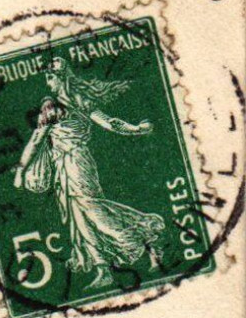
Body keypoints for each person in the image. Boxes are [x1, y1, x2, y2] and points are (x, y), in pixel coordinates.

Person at [13, 58, 165, 291]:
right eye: (46, 77)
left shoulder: (76, 101)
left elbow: (109, 123)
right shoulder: (51, 107)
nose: (48, 82)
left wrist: (136, 129)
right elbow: (36, 139)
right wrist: (21, 169)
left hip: (78, 162)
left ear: (62, 77)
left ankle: (146, 242)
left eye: (51, 76)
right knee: (80, 218)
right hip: (62, 169)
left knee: (95, 211)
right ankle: (103, 269)